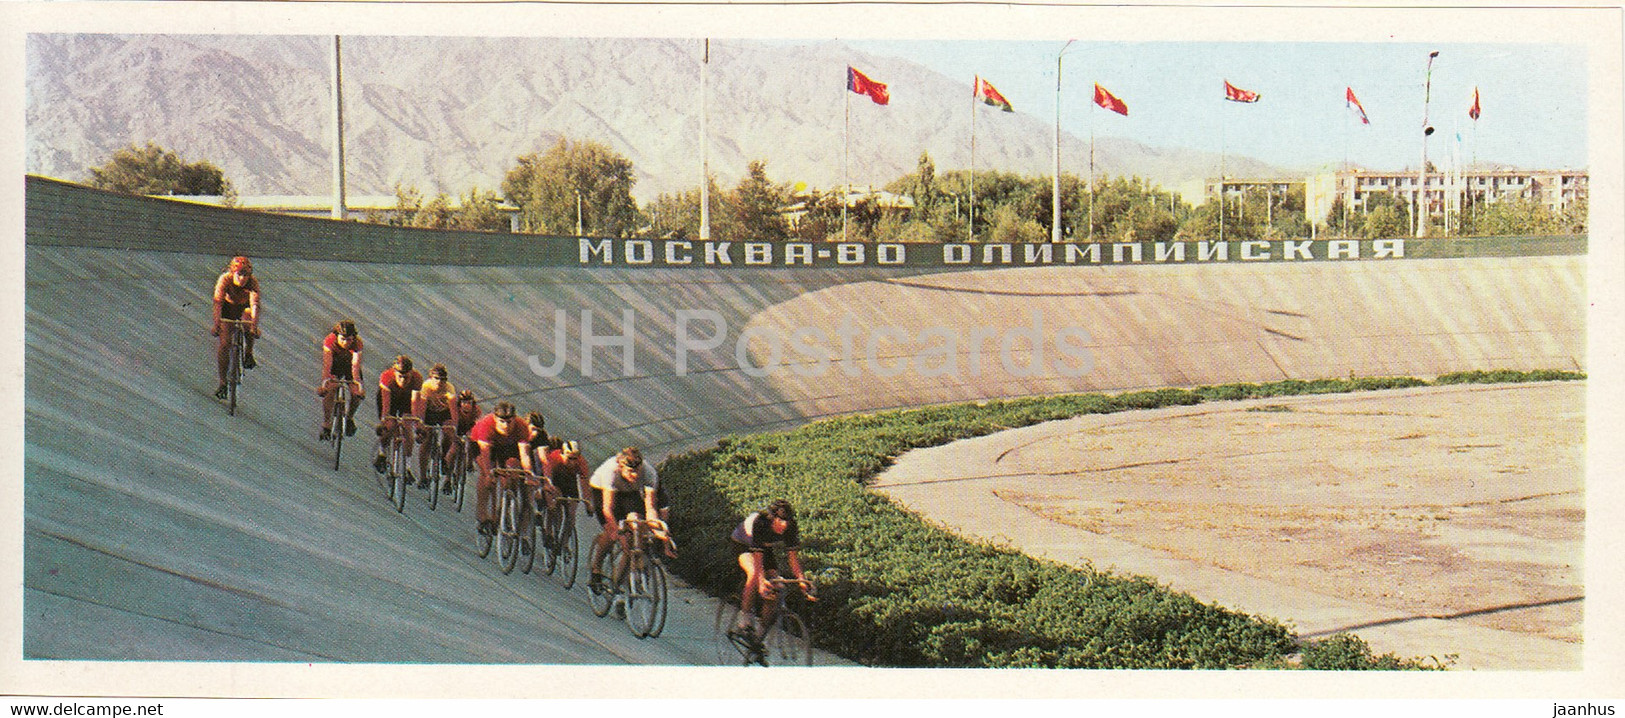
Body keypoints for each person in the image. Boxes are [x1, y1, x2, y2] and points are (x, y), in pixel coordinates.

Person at [728, 499, 807, 638]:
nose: (784, 525)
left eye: (787, 521)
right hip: (742, 544)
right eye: (780, 521)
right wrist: (761, 582)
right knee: (754, 573)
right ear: (772, 519)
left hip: (765, 548)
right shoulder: (761, 523)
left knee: (776, 587)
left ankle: (759, 636)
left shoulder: (790, 526)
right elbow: (758, 562)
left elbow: (793, 559)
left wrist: (802, 580)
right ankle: (744, 619)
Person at [587, 446, 661, 592]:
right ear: (621, 467)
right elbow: (607, 509)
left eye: (637, 472)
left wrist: (657, 529)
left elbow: (650, 508)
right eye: (630, 472)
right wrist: (617, 531)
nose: (634, 475)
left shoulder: (649, 473)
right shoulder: (611, 472)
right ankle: (596, 568)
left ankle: (617, 583)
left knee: (634, 533)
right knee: (612, 533)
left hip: (629, 492)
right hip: (602, 490)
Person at [468, 401, 536, 550]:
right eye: (502, 422)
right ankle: (482, 515)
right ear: (495, 419)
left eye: (509, 422)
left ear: (514, 419)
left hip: (508, 446)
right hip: (482, 444)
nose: (506, 425)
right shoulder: (486, 425)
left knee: (513, 468)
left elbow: (524, 455)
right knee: (486, 477)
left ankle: (505, 503)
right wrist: (489, 474)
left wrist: (529, 475)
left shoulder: (521, 426)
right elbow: (485, 455)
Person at [212, 255, 261, 399]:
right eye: (240, 275)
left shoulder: (252, 282)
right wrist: (216, 324)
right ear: (233, 273)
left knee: (248, 321)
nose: (242, 279)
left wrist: (254, 326)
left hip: (244, 308)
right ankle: (222, 382)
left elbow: (255, 305)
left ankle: (248, 352)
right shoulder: (224, 279)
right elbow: (218, 303)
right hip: (228, 308)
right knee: (224, 344)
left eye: (245, 275)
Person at [373, 355, 423, 477]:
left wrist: (417, 426)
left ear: (411, 373)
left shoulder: (417, 379)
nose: (403, 380)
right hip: (390, 398)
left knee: (407, 429)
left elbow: (415, 404)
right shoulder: (387, 377)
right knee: (389, 426)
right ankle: (382, 453)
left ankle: (408, 468)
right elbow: (386, 406)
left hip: (406, 399)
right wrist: (384, 421)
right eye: (400, 376)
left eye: (406, 377)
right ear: (394, 373)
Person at [317, 320, 365, 440]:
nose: (346, 343)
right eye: (342, 339)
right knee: (330, 389)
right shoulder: (329, 341)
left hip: (350, 366)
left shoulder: (357, 343)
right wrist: (325, 384)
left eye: (349, 339)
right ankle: (327, 423)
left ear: (353, 338)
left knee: (356, 393)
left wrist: (357, 385)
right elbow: (327, 365)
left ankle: (349, 418)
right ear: (337, 336)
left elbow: (355, 365)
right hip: (335, 364)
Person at [412, 364, 457, 489]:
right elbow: (422, 409)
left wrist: (454, 426)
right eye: (436, 378)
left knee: (449, 434)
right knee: (426, 441)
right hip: (429, 413)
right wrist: (420, 426)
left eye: (442, 379)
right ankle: (422, 477)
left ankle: (444, 458)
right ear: (431, 378)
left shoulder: (449, 388)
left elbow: (453, 410)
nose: (439, 382)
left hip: (444, 413)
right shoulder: (426, 387)